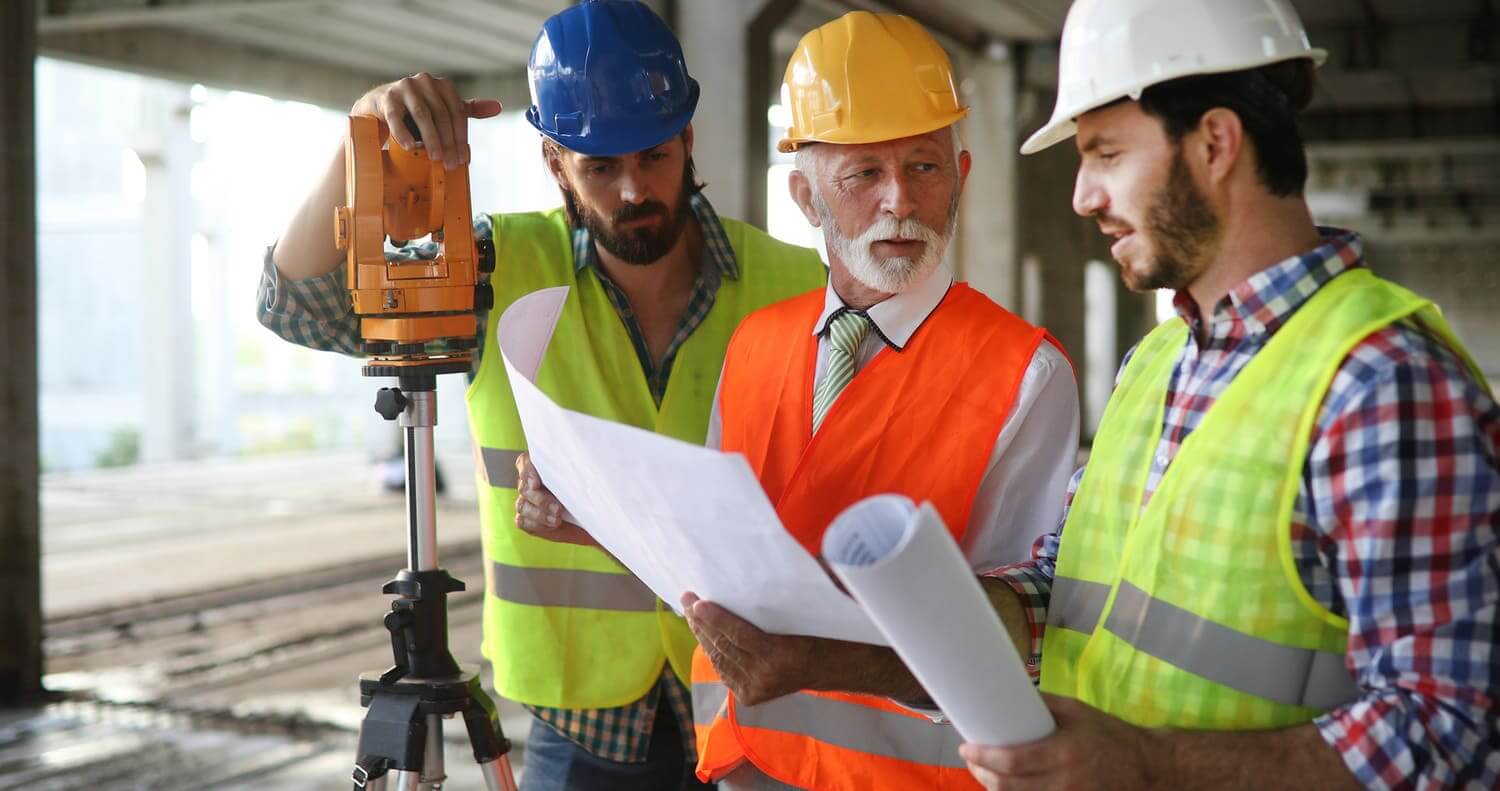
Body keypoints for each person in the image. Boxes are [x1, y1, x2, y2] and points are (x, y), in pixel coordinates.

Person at [256, 2, 827, 788]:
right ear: (555, 163)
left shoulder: (798, 286)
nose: (633, 190)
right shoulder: (495, 266)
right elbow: (294, 305)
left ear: (687, 140)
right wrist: (360, 136)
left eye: (654, 156)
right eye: (600, 167)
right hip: (580, 719)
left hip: (754, 700)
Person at [516, 11, 1079, 790]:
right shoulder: (755, 344)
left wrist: (817, 659)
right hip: (743, 765)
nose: (899, 203)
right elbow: (715, 566)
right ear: (807, 199)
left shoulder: (1025, 373)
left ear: (963, 174)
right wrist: (595, 515)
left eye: (924, 167)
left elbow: (1014, 637)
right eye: (863, 175)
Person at [958, 1, 1500, 789]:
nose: (1081, 195)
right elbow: (1075, 594)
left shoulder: (1382, 382)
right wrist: (917, 620)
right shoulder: (1158, 359)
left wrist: (1151, 765)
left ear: (1215, 142)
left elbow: (1450, 729)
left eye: (1106, 153)